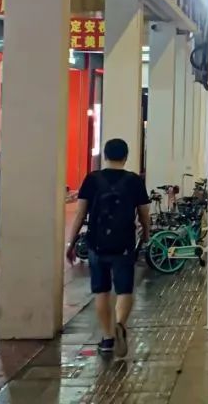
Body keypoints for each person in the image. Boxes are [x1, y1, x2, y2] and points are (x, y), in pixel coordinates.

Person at [66, 139, 150, 359]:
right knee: (124, 290)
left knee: (101, 291)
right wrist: (147, 234)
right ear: (126, 156)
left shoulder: (92, 179)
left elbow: (80, 213)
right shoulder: (134, 181)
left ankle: (108, 337)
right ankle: (121, 324)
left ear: (105, 155)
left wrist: (71, 241)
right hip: (124, 243)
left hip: (96, 242)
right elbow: (144, 214)